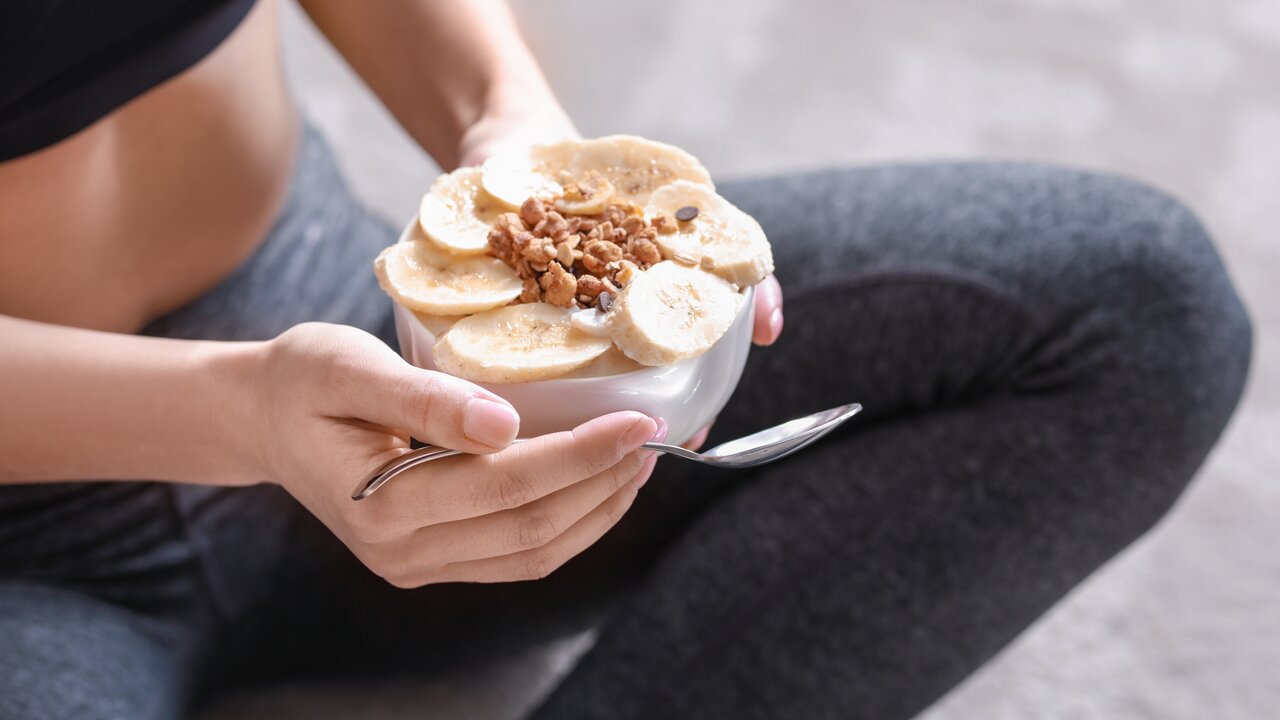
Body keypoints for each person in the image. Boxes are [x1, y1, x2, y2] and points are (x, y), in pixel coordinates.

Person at [0, 1, 1253, 718]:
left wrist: (509, 116)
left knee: (1133, 307)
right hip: (29, 546)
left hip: (347, 316)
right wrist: (244, 416)